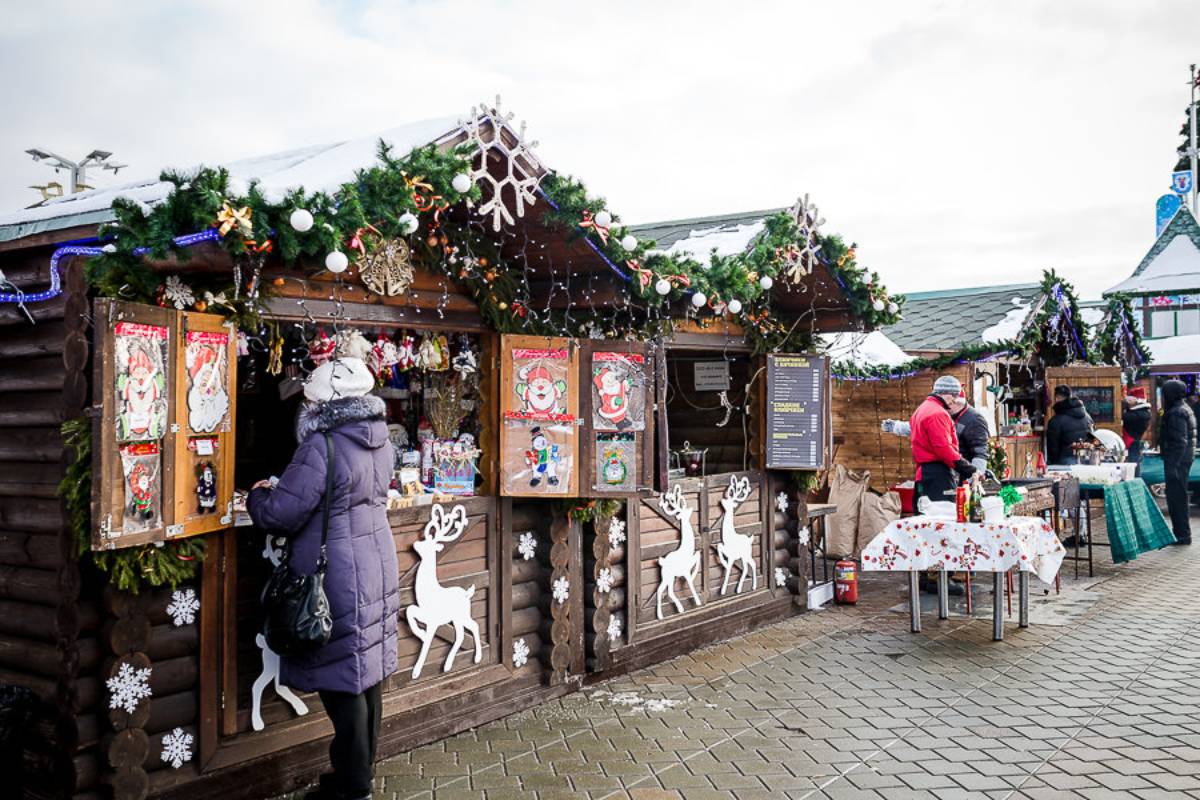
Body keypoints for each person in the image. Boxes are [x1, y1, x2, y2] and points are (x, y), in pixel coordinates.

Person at [248, 357, 398, 800]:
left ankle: (353, 788)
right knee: (366, 671)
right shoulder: (381, 441)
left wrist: (258, 495)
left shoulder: (322, 446)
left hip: (336, 573)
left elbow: (281, 514)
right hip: (374, 562)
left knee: (342, 679)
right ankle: (359, 775)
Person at [910, 376, 975, 595]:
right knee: (942, 525)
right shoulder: (938, 414)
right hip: (938, 474)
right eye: (955, 395)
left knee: (927, 523)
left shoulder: (922, 409)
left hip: (924, 473)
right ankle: (940, 579)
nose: (956, 400)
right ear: (945, 393)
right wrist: (964, 466)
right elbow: (942, 447)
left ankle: (927, 576)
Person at [1160, 379, 1196, 545]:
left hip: (1177, 463)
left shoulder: (1176, 412)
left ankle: (1182, 535)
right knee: (1177, 498)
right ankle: (1181, 534)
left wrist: (1173, 465)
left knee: (1177, 499)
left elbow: (1179, 441)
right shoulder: (1183, 409)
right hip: (1182, 461)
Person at [1044, 385, 1093, 465]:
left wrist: (1052, 465)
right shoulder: (1087, 416)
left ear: (1057, 398)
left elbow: (1053, 449)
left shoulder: (1055, 421)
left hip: (1065, 463)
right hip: (1086, 461)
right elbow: (1092, 437)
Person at [950, 396, 991, 477]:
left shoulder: (975, 420)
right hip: (952, 473)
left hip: (964, 476)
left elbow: (980, 452)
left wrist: (974, 479)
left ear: (955, 403)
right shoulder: (951, 415)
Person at [1121, 390, 1152, 476]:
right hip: (1134, 441)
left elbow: (1124, 417)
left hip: (1133, 441)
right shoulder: (1143, 412)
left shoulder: (1140, 414)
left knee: (1133, 466)